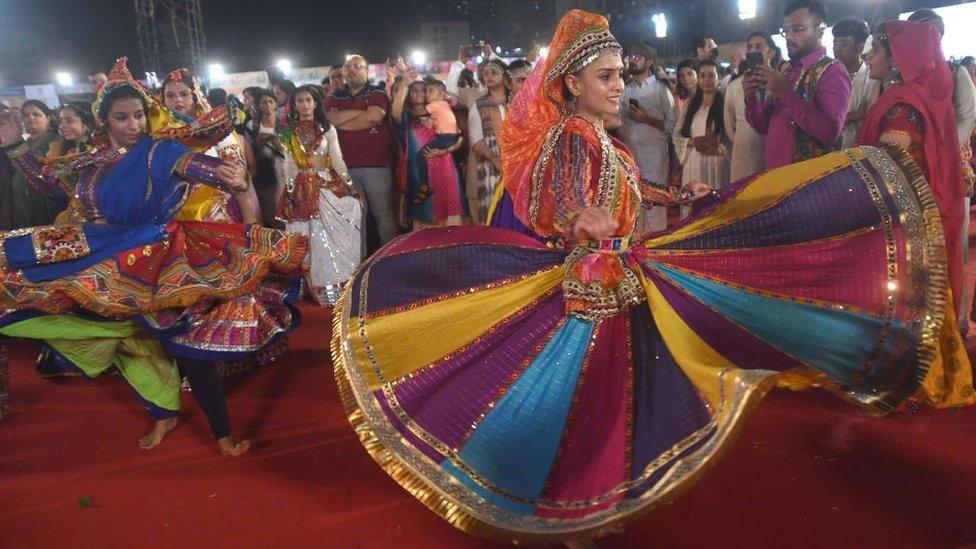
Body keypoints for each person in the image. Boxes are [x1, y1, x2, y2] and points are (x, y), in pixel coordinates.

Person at [331, 9, 971, 545]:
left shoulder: (597, 136)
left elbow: (628, 189)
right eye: (606, 78)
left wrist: (677, 196)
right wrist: (586, 226)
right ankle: (568, 498)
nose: (619, 87)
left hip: (617, 275)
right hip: (593, 288)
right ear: (573, 83)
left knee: (599, 399)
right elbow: (560, 212)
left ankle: (584, 495)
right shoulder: (575, 137)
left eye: (618, 76)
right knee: (578, 398)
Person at [0, 58, 307, 455]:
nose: (133, 125)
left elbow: (198, 166)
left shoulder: (158, 152)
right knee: (117, 334)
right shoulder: (92, 161)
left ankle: (223, 435)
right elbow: (48, 184)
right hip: (101, 250)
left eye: (139, 115)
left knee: (183, 346)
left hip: (157, 258)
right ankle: (164, 412)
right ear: (105, 122)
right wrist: (15, 144)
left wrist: (231, 176)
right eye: (122, 118)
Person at [859, 20, 974, 403]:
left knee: (906, 298)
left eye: (874, 51)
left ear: (897, 60)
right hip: (923, 218)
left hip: (903, 221)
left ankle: (911, 381)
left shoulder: (901, 106)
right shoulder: (923, 96)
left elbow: (892, 171)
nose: (866, 57)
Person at [744, 0, 851, 169]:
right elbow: (763, 127)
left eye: (796, 29)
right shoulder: (788, 71)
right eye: (785, 31)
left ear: (820, 30)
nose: (788, 36)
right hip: (776, 176)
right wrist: (751, 98)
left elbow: (830, 132)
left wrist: (784, 92)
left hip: (808, 183)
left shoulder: (832, 71)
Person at [161, 68, 261, 225]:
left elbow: (238, 181)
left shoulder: (216, 131)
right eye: (170, 95)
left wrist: (250, 226)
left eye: (184, 94)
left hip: (217, 218)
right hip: (172, 223)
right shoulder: (158, 137)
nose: (177, 100)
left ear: (195, 96)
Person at [325, 54, 397, 254]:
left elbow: (374, 117)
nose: (352, 70)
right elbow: (331, 119)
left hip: (377, 165)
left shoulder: (377, 93)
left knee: (383, 215)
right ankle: (359, 261)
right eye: (348, 67)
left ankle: (390, 257)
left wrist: (344, 122)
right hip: (345, 167)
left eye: (357, 66)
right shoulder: (333, 98)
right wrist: (362, 113)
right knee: (356, 217)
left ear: (367, 70)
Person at [392, 74, 466, 229]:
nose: (419, 93)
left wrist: (446, 150)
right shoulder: (407, 118)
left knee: (450, 222)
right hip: (419, 177)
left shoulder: (439, 112)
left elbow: (459, 137)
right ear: (408, 95)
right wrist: (405, 82)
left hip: (446, 171)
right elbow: (395, 113)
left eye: (423, 90)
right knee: (424, 223)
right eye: (414, 90)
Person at [617, 41, 676, 231]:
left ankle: (656, 250)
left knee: (655, 205)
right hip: (632, 156)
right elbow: (620, 121)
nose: (632, 61)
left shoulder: (661, 90)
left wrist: (646, 119)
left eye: (637, 58)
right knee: (636, 204)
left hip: (655, 157)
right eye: (630, 58)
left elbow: (673, 125)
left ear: (649, 62)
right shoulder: (626, 90)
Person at [674, 59, 730, 203]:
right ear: (698, 79)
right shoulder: (690, 106)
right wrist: (694, 142)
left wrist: (717, 145)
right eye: (702, 76)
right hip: (694, 162)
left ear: (719, 77)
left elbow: (732, 137)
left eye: (711, 75)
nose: (706, 80)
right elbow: (677, 135)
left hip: (717, 163)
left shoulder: (726, 105)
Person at [0, 100, 61, 228]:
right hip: (21, 202)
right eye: (26, 115)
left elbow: (50, 178)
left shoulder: (55, 141)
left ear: (48, 118)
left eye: (36, 114)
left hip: (43, 204)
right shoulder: (25, 142)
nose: (30, 118)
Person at [724, 32, 771, 181]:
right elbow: (729, 124)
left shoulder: (780, 82)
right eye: (750, 47)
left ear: (770, 52)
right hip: (743, 151)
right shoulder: (733, 86)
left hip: (770, 148)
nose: (753, 51)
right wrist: (741, 140)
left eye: (759, 47)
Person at [467, 58, 509, 224]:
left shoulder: (514, 102)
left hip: (515, 160)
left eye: (494, 72)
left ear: (505, 76)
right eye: (486, 73)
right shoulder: (479, 105)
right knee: (492, 208)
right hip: (489, 164)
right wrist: (495, 160)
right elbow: (476, 140)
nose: (489, 76)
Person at [832, 17, 878, 149]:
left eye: (844, 43)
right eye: (835, 43)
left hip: (858, 151)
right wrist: (854, 115)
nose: (837, 49)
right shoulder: (827, 76)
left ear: (860, 47)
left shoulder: (872, 78)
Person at [248, 89, 285, 227]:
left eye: (271, 101)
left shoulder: (283, 124)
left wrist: (275, 141)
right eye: (264, 102)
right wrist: (257, 142)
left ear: (276, 104)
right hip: (263, 173)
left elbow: (289, 149)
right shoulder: (252, 126)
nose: (268, 105)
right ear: (258, 105)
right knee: (267, 209)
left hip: (283, 171)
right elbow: (248, 151)